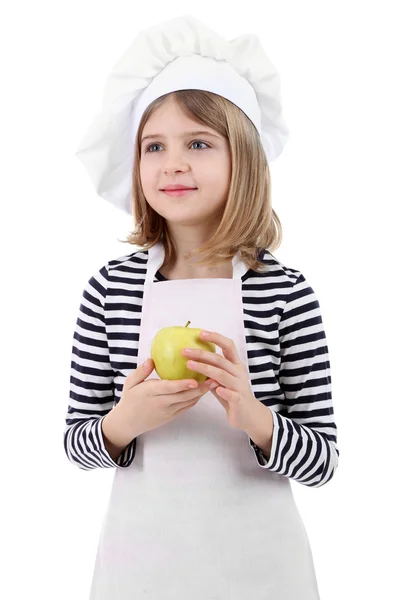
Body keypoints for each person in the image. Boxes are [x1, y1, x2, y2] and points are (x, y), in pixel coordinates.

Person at [64, 14, 339, 600]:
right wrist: (124, 422)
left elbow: (323, 460)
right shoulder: (109, 291)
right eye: (154, 145)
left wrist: (255, 418)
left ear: (244, 160)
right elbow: (75, 443)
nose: (174, 163)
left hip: (262, 570)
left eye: (199, 143)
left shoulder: (285, 293)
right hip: (141, 566)